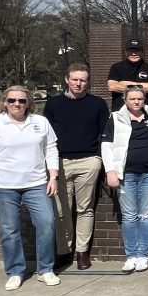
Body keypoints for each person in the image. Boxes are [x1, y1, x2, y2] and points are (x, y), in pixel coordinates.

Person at [0, 85, 60, 290]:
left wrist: (53, 176)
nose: (17, 104)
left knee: (47, 224)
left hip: (36, 184)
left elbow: (51, 149)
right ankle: (15, 271)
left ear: (29, 102)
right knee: (9, 230)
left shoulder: (40, 122)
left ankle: (46, 270)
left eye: (21, 101)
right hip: (3, 187)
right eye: (12, 100)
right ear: (4, 102)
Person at [43, 63, 108, 270]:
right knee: (61, 210)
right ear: (67, 80)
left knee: (85, 209)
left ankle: (82, 252)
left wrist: (100, 160)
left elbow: (105, 135)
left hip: (88, 161)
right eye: (75, 79)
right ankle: (64, 251)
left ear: (88, 82)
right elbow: (46, 136)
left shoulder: (97, 104)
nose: (79, 83)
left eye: (83, 80)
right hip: (60, 163)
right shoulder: (53, 104)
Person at [101, 85, 148, 274]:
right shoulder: (115, 117)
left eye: (140, 99)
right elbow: (107, 145)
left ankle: (143, 255)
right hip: (126, 174)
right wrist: (110, 170)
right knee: (129, 216)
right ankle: (131, 256)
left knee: (146, 215)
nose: (136, 102)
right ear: (125, 100)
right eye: (132, 99)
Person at [107, 39, 148, 110]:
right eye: (131, 51)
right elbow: (112, 86)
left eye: (137, 51)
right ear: (125, 52)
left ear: (142, 52)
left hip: (143, 111)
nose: (134, 54)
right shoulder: (116, 67)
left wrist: (124, 83)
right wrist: (141, 86)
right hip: (120, 111)